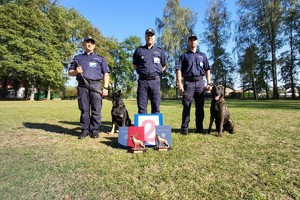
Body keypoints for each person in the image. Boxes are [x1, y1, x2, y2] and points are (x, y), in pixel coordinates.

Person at [68, 36, 110, 139]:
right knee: (84, 109)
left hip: (95, 85)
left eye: (91, 43)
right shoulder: (77, 58)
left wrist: (105, 87)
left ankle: (94, 130)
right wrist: (76, 71)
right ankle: (85, 130)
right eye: (87, 42)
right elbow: (70, 73)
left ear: (94, 45)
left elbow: (106, 73)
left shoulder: (100, 59)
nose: (89, 44)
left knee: (96, 109)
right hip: (82, 86)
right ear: (84, 44)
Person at [176, 35, 211, 135]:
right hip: (188, 83)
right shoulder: (184, 56)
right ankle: (184, 128)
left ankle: (199, 128)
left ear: (197, 42)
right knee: (186, 105)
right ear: (188, 43)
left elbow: (207, 69)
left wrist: (208, 83)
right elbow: (178, 70)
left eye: (194, 40)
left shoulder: (203, 56)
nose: (193, 42)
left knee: (200, 107)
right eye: (191, 40)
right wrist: (179, 83)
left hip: (200, 83)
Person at [132, 28, 166, 114]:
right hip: (143, 81)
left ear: (154, 37)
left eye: (151, 35)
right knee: (142, 106)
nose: (150, 37)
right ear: (145, 37)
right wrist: (142, 72)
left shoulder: (160, 51)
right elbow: (135, 65)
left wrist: (157, 72)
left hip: (155, 81)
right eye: (148, 35)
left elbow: (164, 65)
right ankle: (143, 127)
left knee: (156, 105)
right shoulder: (139, 50)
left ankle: (155, 127)